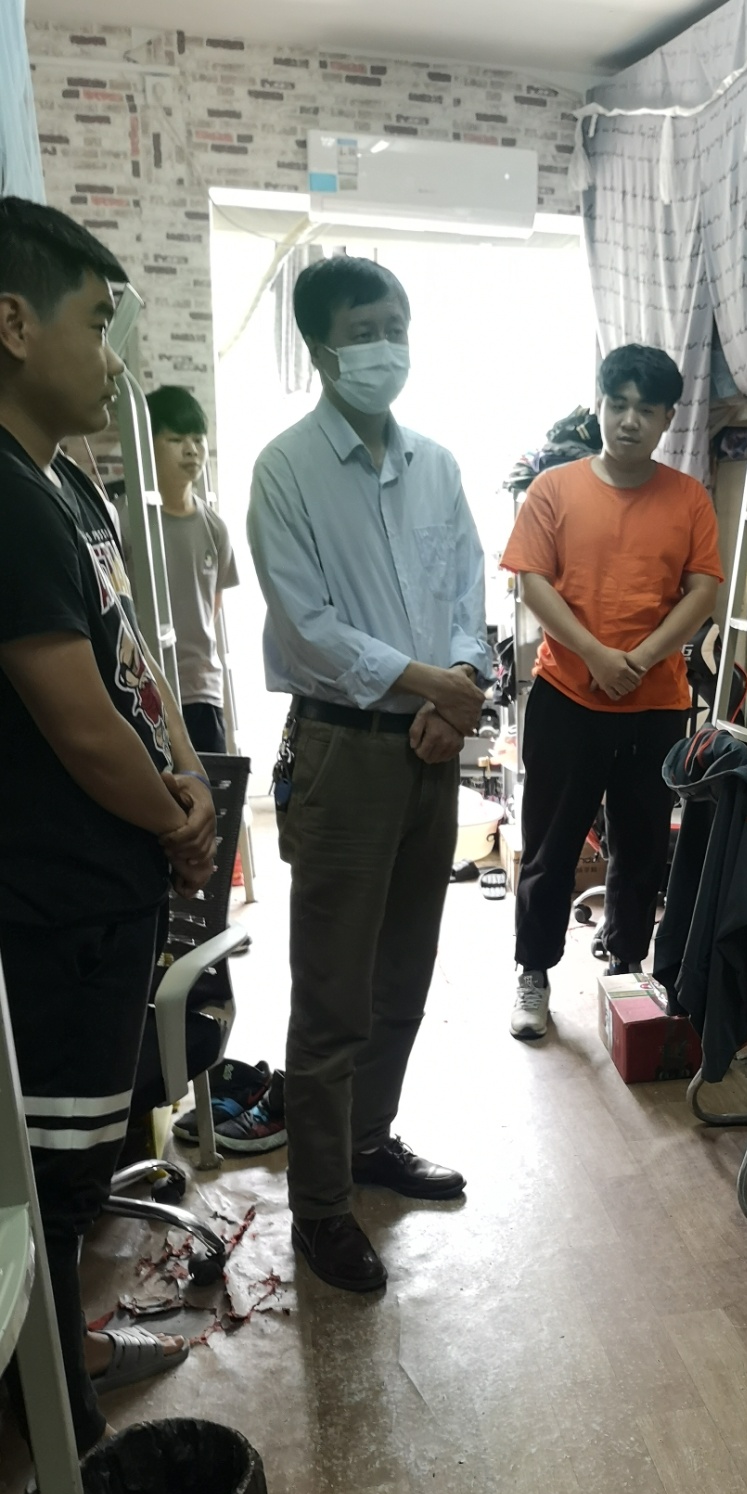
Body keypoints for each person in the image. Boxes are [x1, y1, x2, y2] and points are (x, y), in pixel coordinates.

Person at [0, 197, 216, 1454]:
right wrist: (175, 819)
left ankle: (62, 1372)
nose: (114, 356)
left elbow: (134, 664)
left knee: (85, 1155)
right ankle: (53, 1425)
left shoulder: (69, 485)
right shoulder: (4, 498)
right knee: (50, 1176)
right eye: (95, 323)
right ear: (14, 324)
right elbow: (80, 728)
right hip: (53, 903)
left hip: (113, 880)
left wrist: (188, 783)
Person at [248, 256, 489, 1296]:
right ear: (320, 348)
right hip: (343, 750)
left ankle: (369, 1139)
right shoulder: (286, 470)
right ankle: (318, 1207)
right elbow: (306, 627)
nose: (386, 345)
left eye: (397, 325)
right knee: (333, 992)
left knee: (403, 976)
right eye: (364, 329)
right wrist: (430, 683)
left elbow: (467, 595)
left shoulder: (436, 465)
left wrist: (459, 690)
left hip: (430, 747)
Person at [502, 343, 722, 1041]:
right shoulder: (554, 490)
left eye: (645, 410)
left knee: (642, 844)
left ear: (666, 420)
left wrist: (642, 658)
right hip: (567, 696)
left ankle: (627, 965)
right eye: (617, 404)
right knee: (550, 845)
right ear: (599, 406)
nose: (629, 421)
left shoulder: (687, 498)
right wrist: (596, 656)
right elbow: (532, 582)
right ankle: (533, 971)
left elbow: (703, 590)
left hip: (655, 704)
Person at [145, 385, 238, 754]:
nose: (191, 450)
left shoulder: (215, 527)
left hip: (201, 690)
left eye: (198, 439)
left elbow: (213, 606)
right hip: (146, 688)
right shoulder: (124, 521)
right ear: (146, 443)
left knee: (209, 786)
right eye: (176, 439)